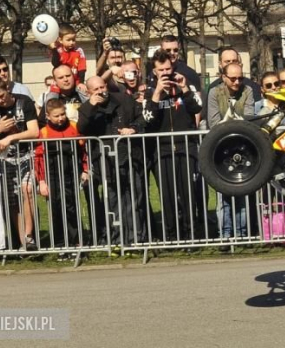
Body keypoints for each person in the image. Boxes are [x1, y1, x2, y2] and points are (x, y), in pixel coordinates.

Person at [78, 76, 145, 250]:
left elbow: (141, 118)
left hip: (128, 155)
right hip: (104, 160)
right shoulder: (86, 108)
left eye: (102, 87)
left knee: (133, 199)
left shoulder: (123, 98)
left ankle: (136, 239)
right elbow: (82, 128)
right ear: (88, 92)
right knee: (112, 201)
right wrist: (91, 105)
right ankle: (116, 240)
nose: (101, 91)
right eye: (96, 89)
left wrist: (134, 129)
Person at [143, 50, 204, 242]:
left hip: (186, 148)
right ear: (155, 71)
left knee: (188, 194)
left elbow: (197, 108)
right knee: (167, 196)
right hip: (162, 150)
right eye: (161, 70)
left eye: (168, 68)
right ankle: (171, 236)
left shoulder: (185, 85)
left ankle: (191, 234)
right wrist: (158, 93)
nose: (165, 73)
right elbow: (148, 121)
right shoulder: (149, 91)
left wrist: (184, 89)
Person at [0, 77, 40, 251]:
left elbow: (34, 131)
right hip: (6, 159)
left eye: (1, 95)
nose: (0, 100)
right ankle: (23, 241)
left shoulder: (25, 102)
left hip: (27, 154)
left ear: (7, 89)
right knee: (13, 200)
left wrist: (10, 137)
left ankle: (29, 236)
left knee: (27, 190)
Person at [33, 98, 88, 255]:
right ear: (48, 116)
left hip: (71, 174)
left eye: (62, 114)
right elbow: (38, 158)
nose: (60, 118)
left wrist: (85, 169)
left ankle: (77, 241)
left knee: (72, 208)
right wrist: (42, 181)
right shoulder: (43, 133)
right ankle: (60, 245)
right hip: (52, 176)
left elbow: (83, 150)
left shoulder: (73, 127)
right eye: (56, 116)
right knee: (55, 209)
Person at [207, 61, 256, 238]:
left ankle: (241, 233)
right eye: (233, 78)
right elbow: (213, 122)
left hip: (242, 145)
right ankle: (225, 233)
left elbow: (249, 117)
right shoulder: (214, 92)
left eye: (240, 78)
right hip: (221, 147)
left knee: (241, 189)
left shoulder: (248, 91)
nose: (237, 82)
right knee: (223, 193)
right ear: (223, 77)